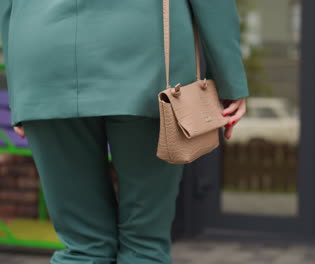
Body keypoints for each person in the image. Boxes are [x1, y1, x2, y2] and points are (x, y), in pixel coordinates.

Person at [0, 1, 249, 263]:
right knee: (144, 241)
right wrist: (230, 81)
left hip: (44, 65)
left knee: (83, 245)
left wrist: (20, 96)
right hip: (148, 61)